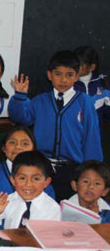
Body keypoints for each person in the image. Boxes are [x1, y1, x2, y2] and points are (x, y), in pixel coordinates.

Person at [8, 50, 103, 200]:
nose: (63, 80)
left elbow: (92, 136)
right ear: (49, 75)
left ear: (77, 76)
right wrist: (20, 96)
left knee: (65, 208)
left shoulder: (85, 102)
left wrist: (92, 169)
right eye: (58, 74)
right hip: (41, 166)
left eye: (69, 75)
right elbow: (21, 118)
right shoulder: (40, 100)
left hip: (72, 167)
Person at [0, 151, 61, 229]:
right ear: (13, 180)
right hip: (9, 246)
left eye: (36, 179)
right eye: (22, 178)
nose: (28, 184)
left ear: (46, 182)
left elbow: (48, 240)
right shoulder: (8, 200)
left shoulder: (52, 208)